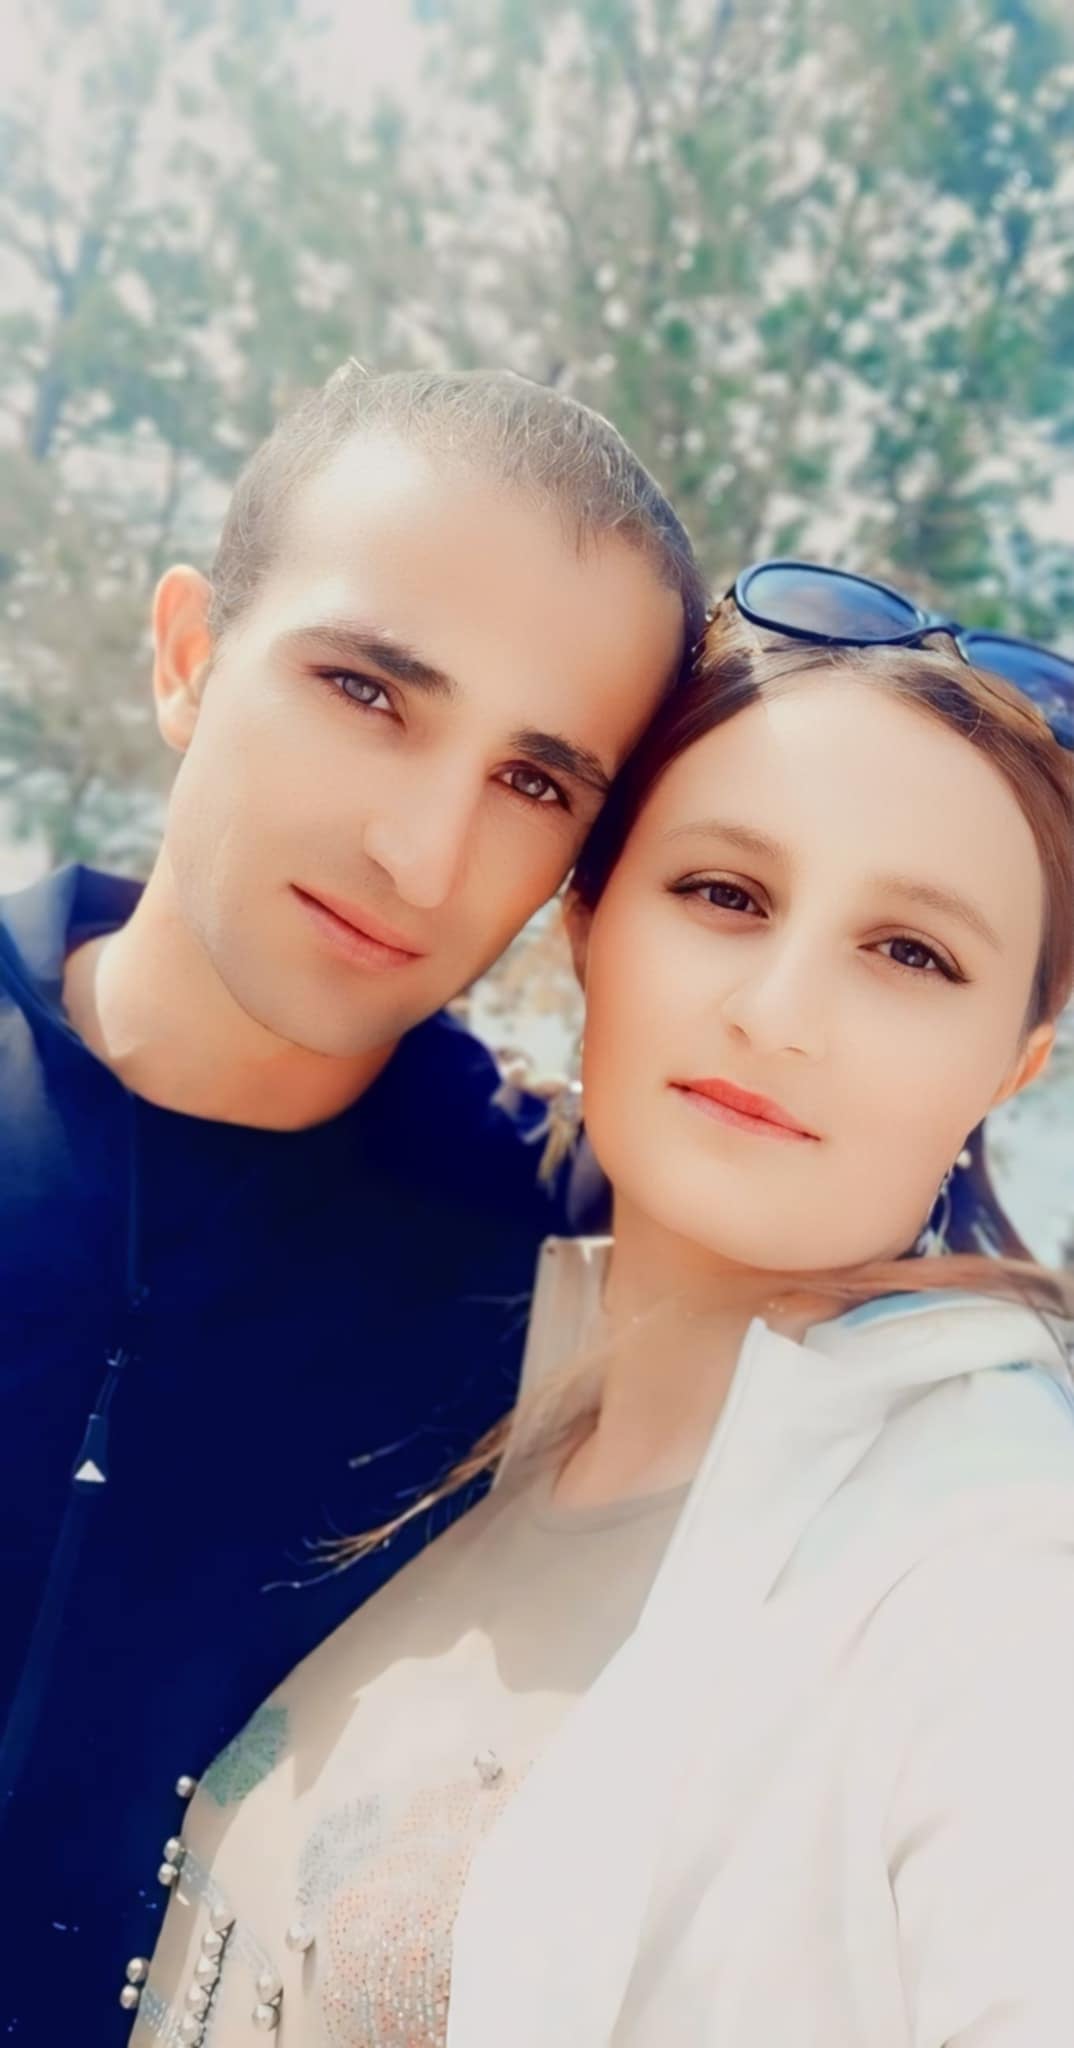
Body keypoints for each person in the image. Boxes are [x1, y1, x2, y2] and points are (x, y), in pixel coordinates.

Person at [132, 565, 1074, 2047]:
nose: (777, 1011)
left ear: (1010, 1065)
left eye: (912, 953)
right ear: (586, 922)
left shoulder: (994, 1565)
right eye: (723, 893)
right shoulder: (479, 1397)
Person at [0, 364, 704, 2041]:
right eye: (367, 691)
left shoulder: (564, 1273)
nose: (421, 853)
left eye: (535, 782)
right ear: (189, 656)